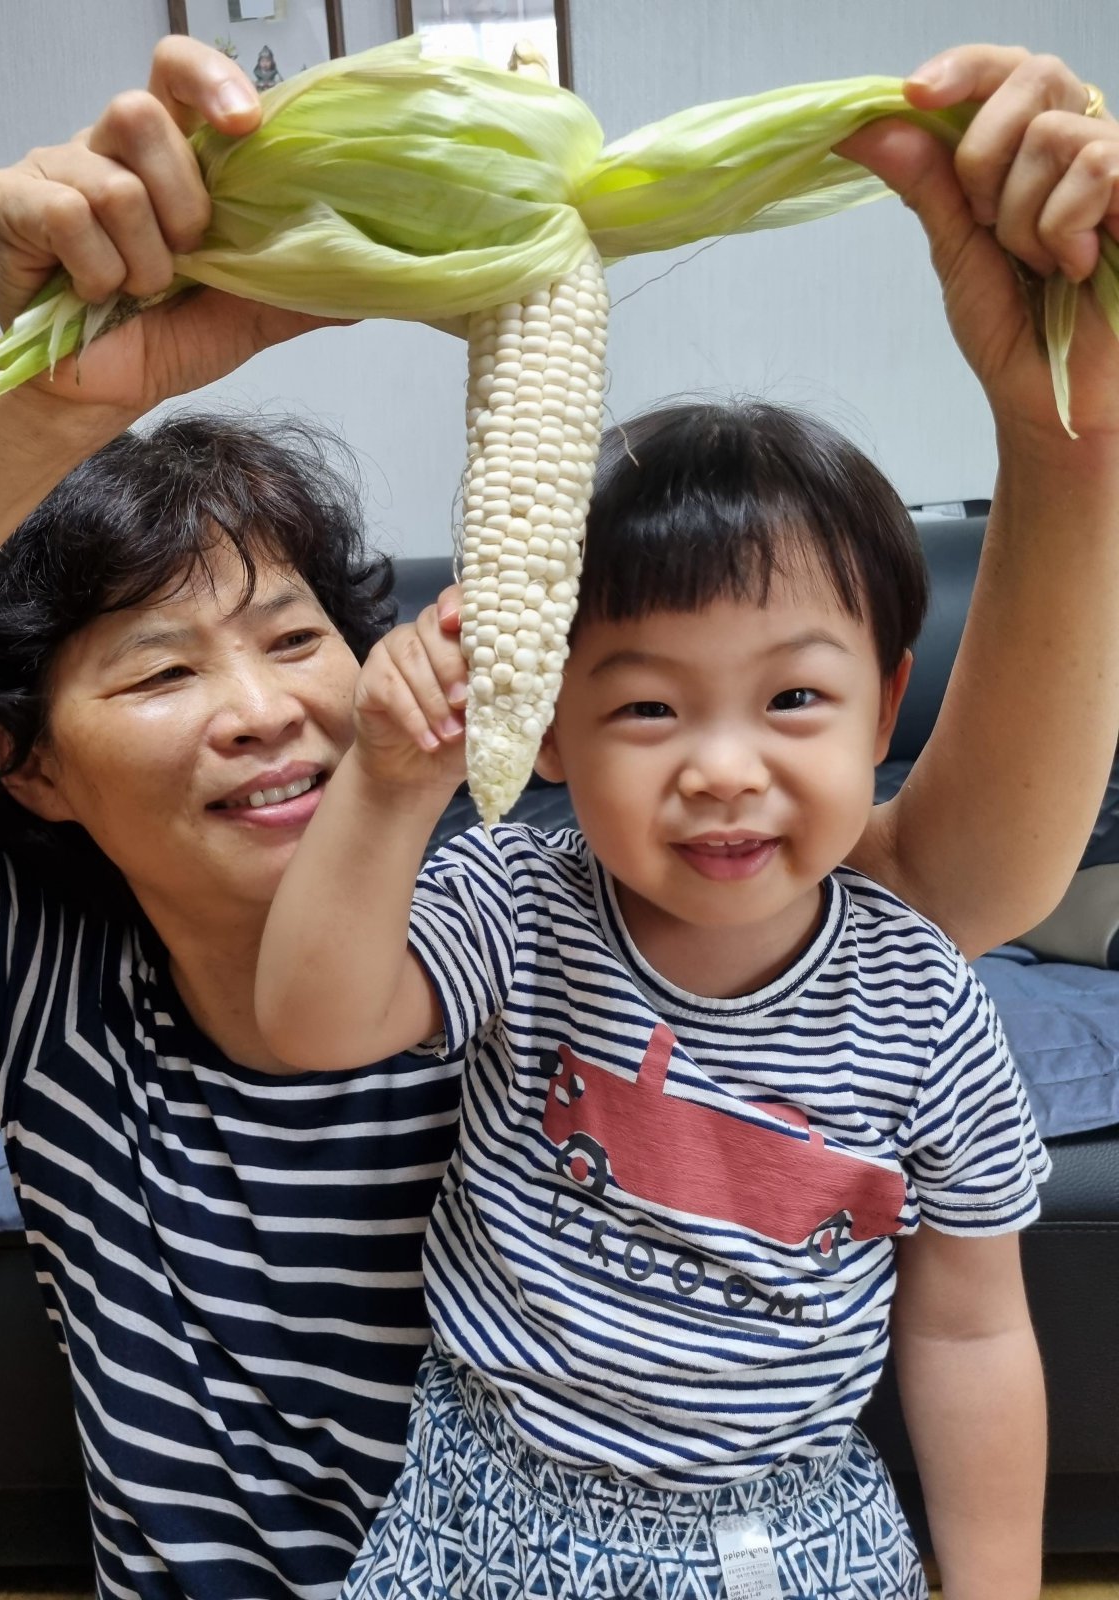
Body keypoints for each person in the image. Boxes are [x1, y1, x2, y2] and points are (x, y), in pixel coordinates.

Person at [0, 30, 1119, 1599]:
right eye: (158, 672)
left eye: (296, 639)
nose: (266, 707)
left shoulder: (556, 892)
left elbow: (939, 887)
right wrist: (46, 413)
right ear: (30, 764)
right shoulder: (34, 988)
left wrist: (1066, 432)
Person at [255, 397, 1050, 1599]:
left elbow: (972, 1328)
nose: (724, 769)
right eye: (647, 707)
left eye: (792, 700)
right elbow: (311, 1022)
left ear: (885, 709)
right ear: (552, 727)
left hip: (786, 1519)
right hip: (494, 1492)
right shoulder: (513, 902)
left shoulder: (926, 999)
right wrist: (387, 779)